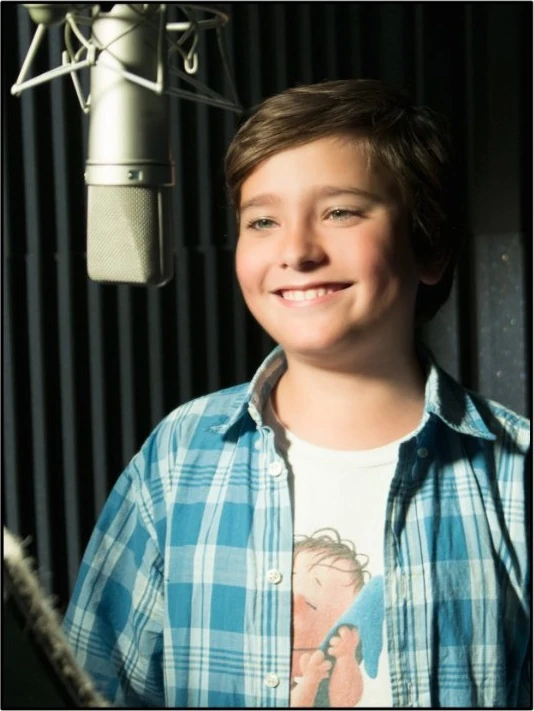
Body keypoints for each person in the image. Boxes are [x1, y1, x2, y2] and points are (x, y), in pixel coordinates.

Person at [63, 79, 530, 708]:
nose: (297, 251)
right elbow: (87, 690)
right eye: (262, 221)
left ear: (430, 246)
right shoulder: (178, 459)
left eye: (340, 212)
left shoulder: (516, 476)